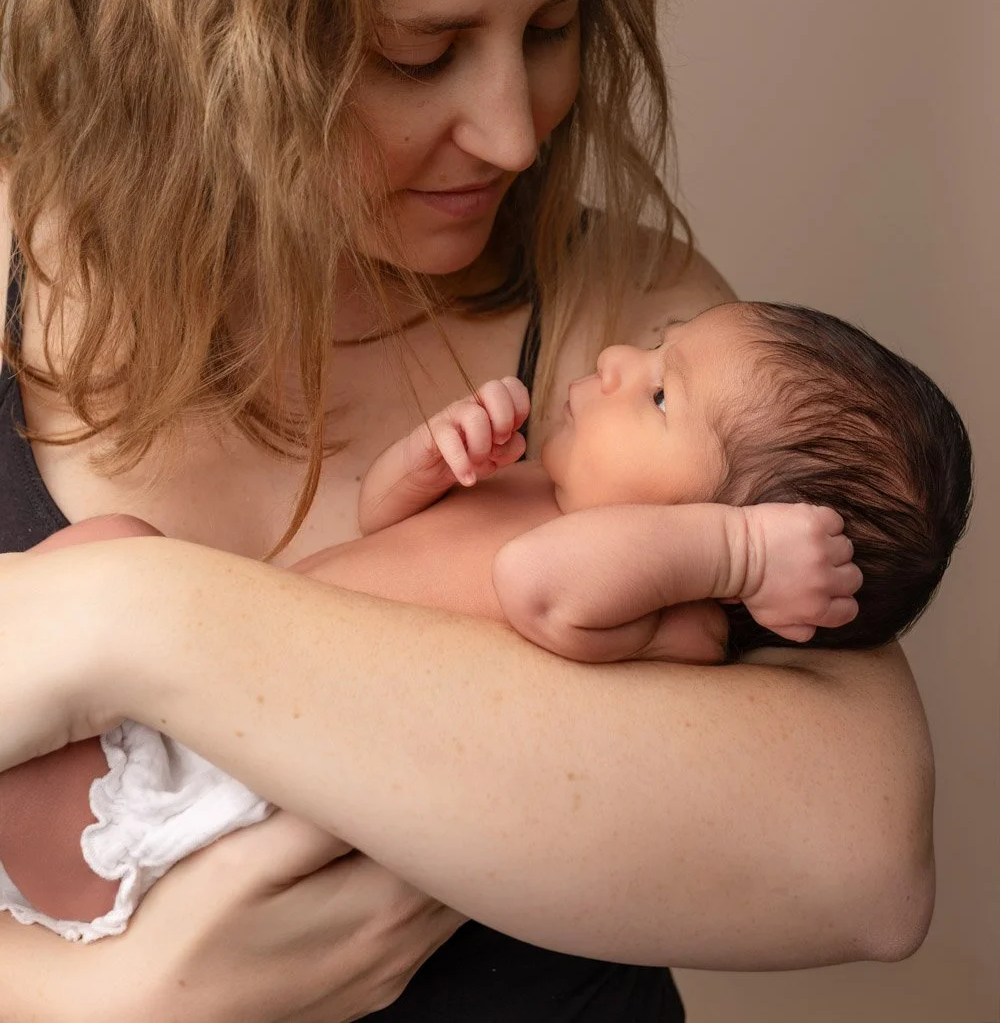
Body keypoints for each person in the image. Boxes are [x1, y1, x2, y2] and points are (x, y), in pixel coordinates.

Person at [0, 0, 937, 1021]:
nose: (513, 130)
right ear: (196, 34)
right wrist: (76, 1007)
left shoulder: (635, 323)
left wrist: (137, 622)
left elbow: (861, 861)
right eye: (418, 51)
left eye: (555, 27)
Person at [0, 298, 972, 946]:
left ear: (722, 532)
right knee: (116, 547)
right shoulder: (549, 488)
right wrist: (429, 462)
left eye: (660, 396)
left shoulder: (670, 615)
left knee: (108, 566)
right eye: (659, 345)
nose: (618, 361)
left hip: (211, 796)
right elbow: (380, 534)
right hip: (198, 716)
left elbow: (535, 587)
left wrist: (736, 558)